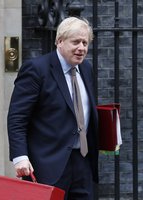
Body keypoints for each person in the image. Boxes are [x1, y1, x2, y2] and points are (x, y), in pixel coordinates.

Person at [7, 16, 99, 200]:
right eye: (76, 42)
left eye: (85, 42)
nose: (81, 48)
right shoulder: (36, 70)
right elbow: (17, 117)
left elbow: (84, 111)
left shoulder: (86, 69)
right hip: (47, 164)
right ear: (59, 41)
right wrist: (20, 157)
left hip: (82, 162)